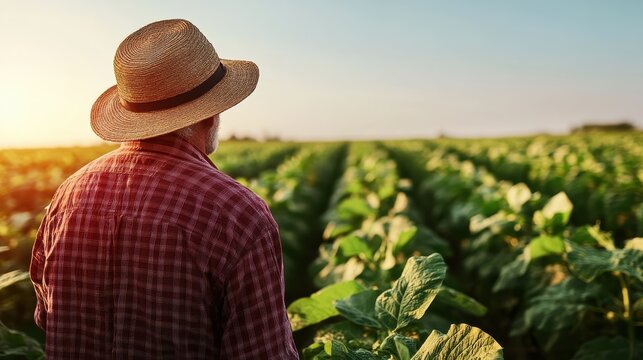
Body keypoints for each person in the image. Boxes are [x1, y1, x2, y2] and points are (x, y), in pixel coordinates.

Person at [29, 19, 298, 359]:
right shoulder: (238, 214)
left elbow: (46, 317)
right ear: (210, 115)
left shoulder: (67, 196)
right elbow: (263, 353)